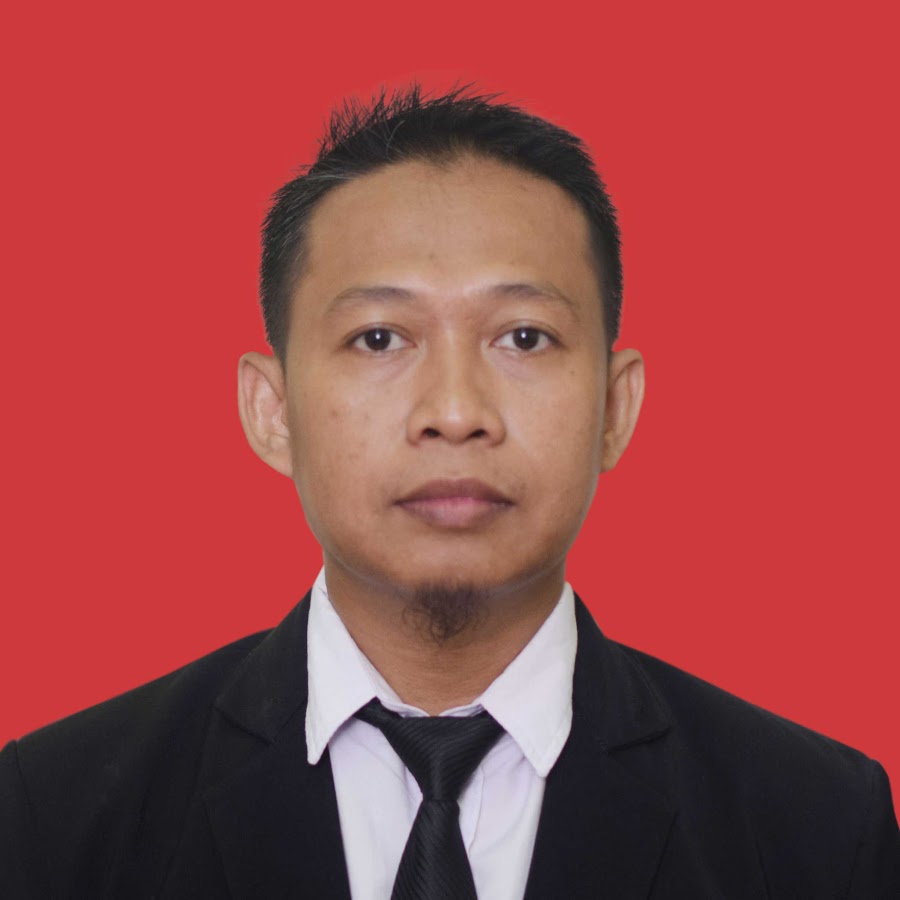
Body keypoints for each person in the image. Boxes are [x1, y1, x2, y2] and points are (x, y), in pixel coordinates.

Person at [1, 84, 898, 900]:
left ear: (615, 408)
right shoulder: (52, 814)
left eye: (524, 337)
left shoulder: (817, 828)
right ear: (272, 411)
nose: (456, 413)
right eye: (380, 338)